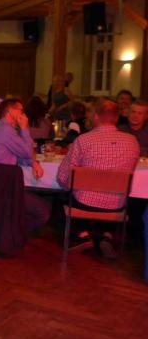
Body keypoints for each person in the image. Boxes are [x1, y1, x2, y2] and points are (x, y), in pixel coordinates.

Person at [57, 100, 139, 257]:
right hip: (117, 205)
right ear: (116, 118)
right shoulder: (132, 142)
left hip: (84, 204)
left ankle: (81, 234)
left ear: (96, 116)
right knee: (111, 197)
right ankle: (107, 235)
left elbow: (63, 176)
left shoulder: (83, 140)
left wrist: (67, 186)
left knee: (66, 195)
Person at [0, 98, 51, 232]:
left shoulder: (1, 127)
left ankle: (9, 230)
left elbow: (18, 154)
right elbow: (27, 152)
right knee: (43, 212)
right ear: (11, 111)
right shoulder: (5, 130)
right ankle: (10, 232)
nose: (24, 113)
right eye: (21, 110)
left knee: (44, 203)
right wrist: (25, 128)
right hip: (3, 186)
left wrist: (32, 163)